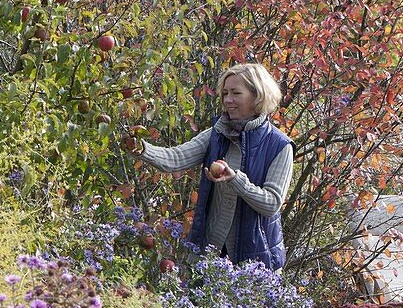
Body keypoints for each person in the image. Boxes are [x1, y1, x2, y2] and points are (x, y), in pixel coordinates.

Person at [122, 63, 294, 269]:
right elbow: (175, 158)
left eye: (236, 93)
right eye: (225, 93)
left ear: (258, 96)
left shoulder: (279, 146)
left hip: (255, 262)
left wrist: (235, 179)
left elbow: (271, 203)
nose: (227, 100)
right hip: (208, 253)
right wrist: (141, 148)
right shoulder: (217, 134)